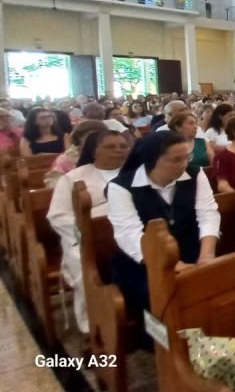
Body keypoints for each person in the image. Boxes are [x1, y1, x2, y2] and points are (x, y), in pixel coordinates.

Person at [107, 132, 220, 344]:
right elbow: (129, 233)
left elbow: (207, 213)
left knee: (216, 281)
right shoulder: (121, 186)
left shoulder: (195, 175)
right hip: (143, 261)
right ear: (151, 161)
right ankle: (172, 347)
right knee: (163, 293)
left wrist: (207, 255)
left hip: (191, 249)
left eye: (187, 157)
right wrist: (173, 265)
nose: (184, 164)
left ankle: (210, 338)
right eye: (176, 160)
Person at [47, 129, 130, 333]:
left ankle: (137, 313)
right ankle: (94, 325)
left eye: (122, 146)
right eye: (110, 147)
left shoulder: (136, 173)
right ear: (94, 151)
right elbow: (58, 215)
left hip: (130, 234)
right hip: (87, 239)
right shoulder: (73, 179)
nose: (118, 151)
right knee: (83, 263)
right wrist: (86, 233)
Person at [44, 120, 108, 188]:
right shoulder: (66, 159)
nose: (96, 140)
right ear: (79, 138)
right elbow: (53, 185)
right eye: (90, 137)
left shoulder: (112, 155)